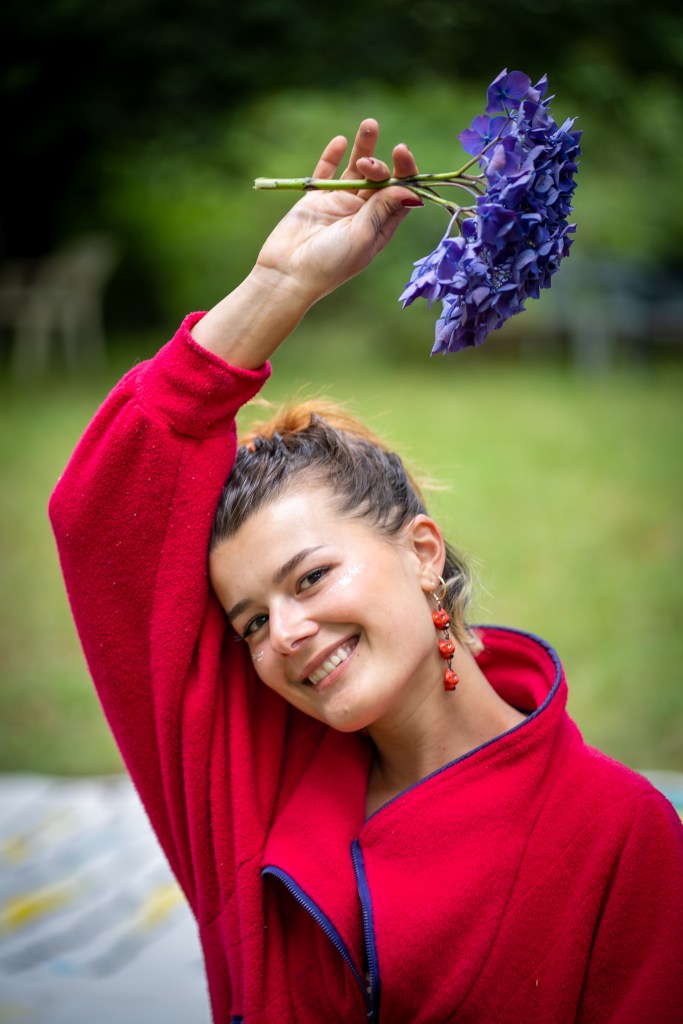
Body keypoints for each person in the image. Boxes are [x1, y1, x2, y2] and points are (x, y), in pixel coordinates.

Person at [50, 120, 683, 1024]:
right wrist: (278, 286)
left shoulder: (619, 835)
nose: (283, 636)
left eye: (308, 579)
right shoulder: (248, 789)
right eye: (250, 622)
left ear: (421, 553)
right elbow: (101, 517)